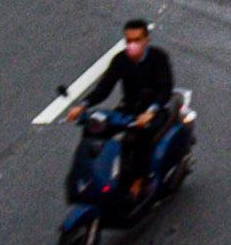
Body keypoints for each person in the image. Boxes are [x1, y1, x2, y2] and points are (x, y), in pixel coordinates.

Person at [68, 20, 175, 184]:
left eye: (137, 40)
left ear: (147, 39)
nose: (132, 45)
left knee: (141, 135)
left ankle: (140, 180)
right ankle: (89, 173)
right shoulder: (120, 60)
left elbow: (165, 89)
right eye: (129, 41)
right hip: (129, 108)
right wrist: (83, 105)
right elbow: (104, 88)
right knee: (94, 129)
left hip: (155, 110)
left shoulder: (158, 58)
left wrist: (150, 112)